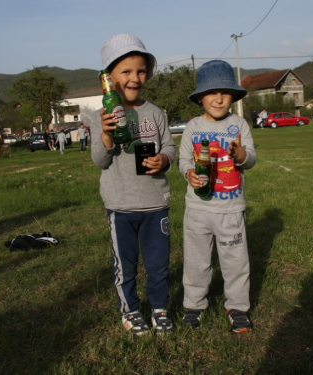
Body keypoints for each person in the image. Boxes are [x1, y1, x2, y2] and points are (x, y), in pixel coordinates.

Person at [89, 33, 177, 335]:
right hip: (121, 205)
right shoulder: (100, 116)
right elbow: (100, 160)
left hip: (156, 203)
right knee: (125, 266)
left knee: (158, 264)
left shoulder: (156, 112)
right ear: (109, 77)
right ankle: (130, 310)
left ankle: (160, 307)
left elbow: (169, 148)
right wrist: (107, 134)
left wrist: (164, 160)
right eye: (126, 71)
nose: (134, 78)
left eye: (141, 71)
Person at [178, 60, 257, 333]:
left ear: (233, 95)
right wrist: (188, 172)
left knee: (235, 262)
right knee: (196, 261)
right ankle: (194, 305)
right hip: (198, 210)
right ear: (200, 97)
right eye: (211, 92)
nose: (219, 98)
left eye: (224, 92)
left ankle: (238, 307)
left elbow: (251, 158)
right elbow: (183, 160)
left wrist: (241, 155)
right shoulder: (192, 127)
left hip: (231, 209)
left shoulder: (239, 125)